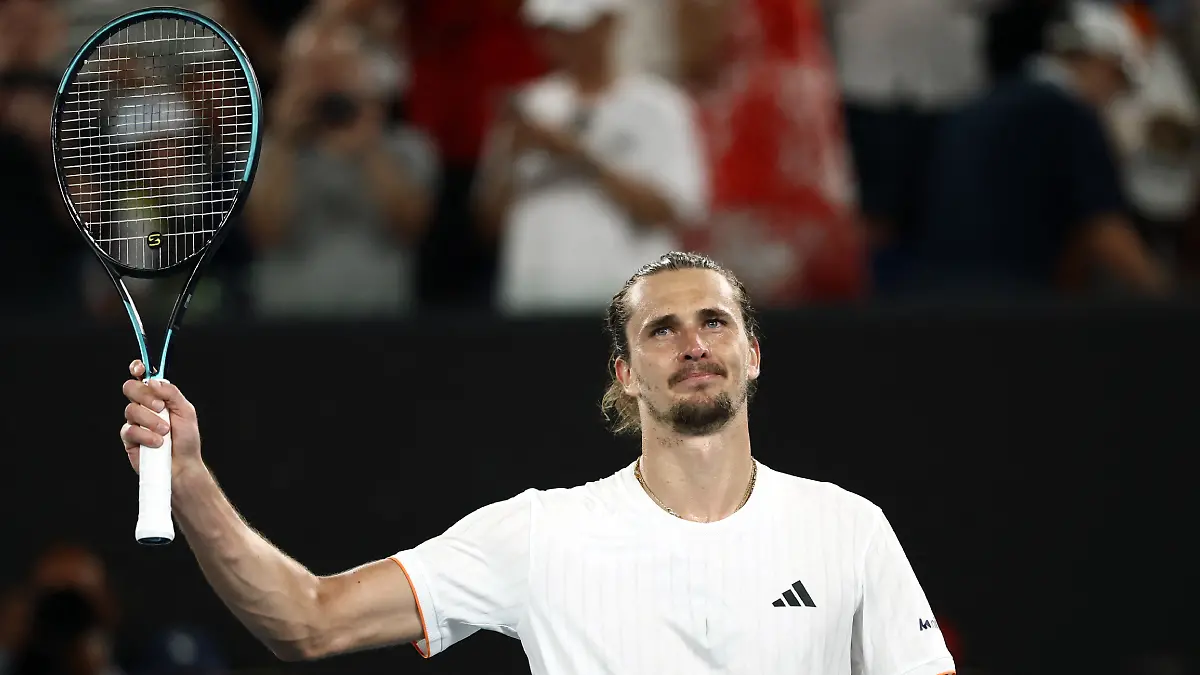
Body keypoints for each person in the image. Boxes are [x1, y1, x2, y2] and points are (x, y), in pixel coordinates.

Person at [118, 251, 956, 674]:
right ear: (625, 375)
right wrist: (188, 479)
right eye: (661, 329)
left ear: (754, 353)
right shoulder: (540, 534)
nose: (693, 343)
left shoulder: (847, 529)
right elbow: (308, 618)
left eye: (714, 322)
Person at [911, 1, 1170, 297]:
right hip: (1011, 307)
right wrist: (1168, 298)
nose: (1113, 97)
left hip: (933, 302)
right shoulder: (1070, 116)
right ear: (1097, 60)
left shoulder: (975, 108)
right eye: (1118, 79)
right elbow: (1106, 232)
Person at [475, 0, 708, 315]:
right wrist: (510, 158)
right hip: (534, 307)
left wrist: (576, 155)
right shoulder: (529, 107)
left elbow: (671, 209)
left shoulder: (659, 106)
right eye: (551, 30)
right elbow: (488, 222)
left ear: (608, 23)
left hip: (632, 314)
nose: (559, 42)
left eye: (572, 29)